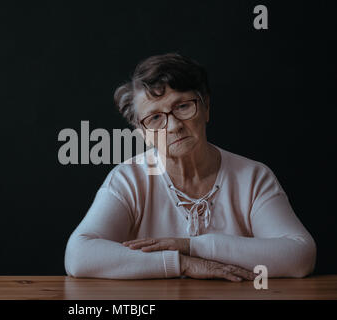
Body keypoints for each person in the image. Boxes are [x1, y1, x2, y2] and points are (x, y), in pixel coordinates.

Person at [64, 53, 316, 281]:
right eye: (155, 118)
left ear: (205, 106)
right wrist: (181, 263)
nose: (173, 126)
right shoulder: (129, 179)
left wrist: (193, 246)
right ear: (142, 134)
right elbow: (78, 256)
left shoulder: (252, 177)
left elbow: (300, 256)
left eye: (183, 106)